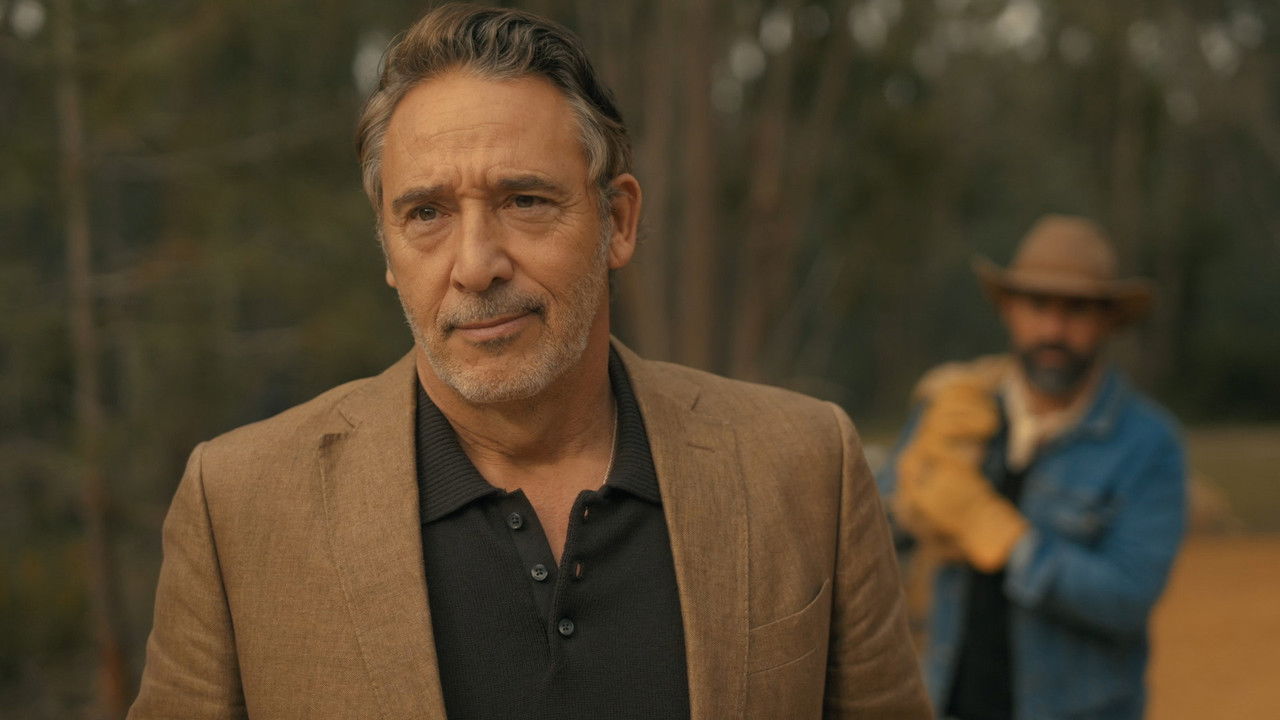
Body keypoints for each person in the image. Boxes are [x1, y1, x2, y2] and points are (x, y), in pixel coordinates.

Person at [128, 5, 930, 719]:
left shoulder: (804, 467)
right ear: (387, 247)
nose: (476, 265)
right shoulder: (239, 506)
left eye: (525, 201)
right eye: (427, 213)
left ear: (618, 221)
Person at [877, 214, 1188, 720]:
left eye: (1077, 310)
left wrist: (1006, 540)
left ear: (1109, 320)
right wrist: (903, 500)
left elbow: (1127, 598)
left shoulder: (1148, 445)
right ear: (1008, 309)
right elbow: (875, 540)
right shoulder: (957, 410)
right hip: (949, 702)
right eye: (1038, 305)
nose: (1053, 329)